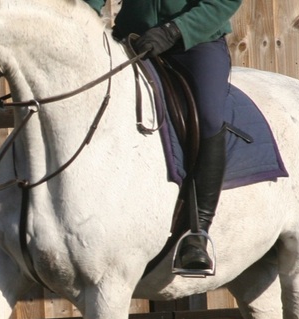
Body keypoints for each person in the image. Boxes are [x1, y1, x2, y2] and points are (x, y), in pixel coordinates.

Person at [84, 0, 242, 274]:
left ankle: (197, 232)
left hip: (194, 44)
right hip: (132, 40)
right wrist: (82, 14)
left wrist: (173, 30)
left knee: (208, 117)